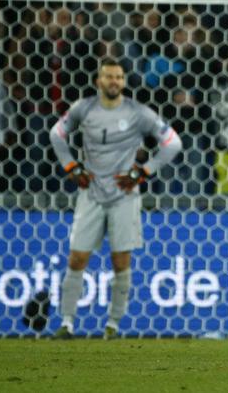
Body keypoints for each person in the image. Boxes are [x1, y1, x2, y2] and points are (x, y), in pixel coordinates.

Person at [49, 58, 182, 339]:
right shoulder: (83, 109)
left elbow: (173, 142)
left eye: (119, 77)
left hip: (124, 195)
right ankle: (67, 323)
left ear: (123, 82)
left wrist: (144, 172)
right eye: (109, 76)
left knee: (121, 261)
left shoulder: (137, 112)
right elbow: (56, 134)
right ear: (99, 80)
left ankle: (112, 325)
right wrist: (70, 166)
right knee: (76, 258)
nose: (114, 82)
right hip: (91, 192)